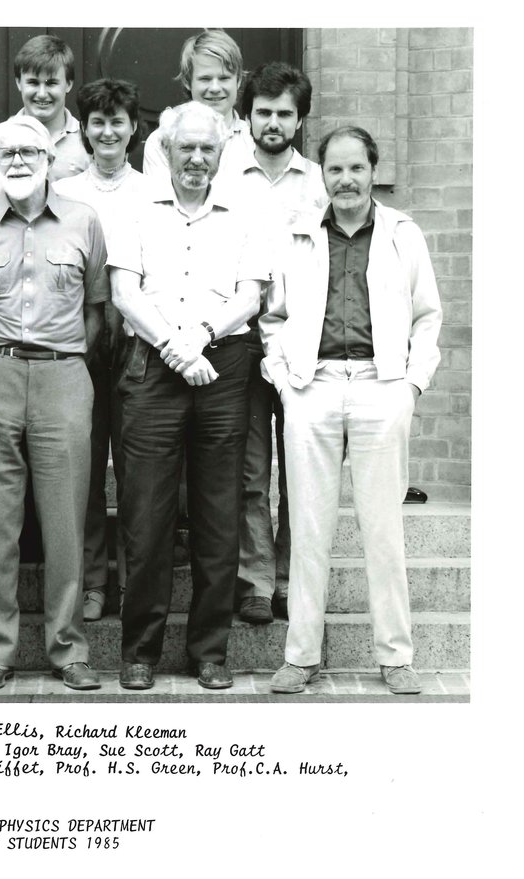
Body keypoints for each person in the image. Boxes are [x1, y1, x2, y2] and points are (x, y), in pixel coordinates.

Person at [263, 126, 442, 696]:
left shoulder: (402, 234)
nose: (345, 179)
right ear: (322, 175)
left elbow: (427, 317)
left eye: (356, 168)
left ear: (373, 171)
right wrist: (284, 381)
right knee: (308, 527)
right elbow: (273, 317)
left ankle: (396, 656)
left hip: (379, 384)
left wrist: (410, 387)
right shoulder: (297, 235)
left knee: (383, 529)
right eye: (335, 169)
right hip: (311, 385)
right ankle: (301, 657)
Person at [109, 102, 270, 691]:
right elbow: (124, 292)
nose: (197, 159)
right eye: (186, 148)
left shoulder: (246, 209)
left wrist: (197, 337)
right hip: (154, 365)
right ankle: (140, 651)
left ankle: (210, 651)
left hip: (222, 365)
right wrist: (173, 347)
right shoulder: (134, 206)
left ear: (221, 153)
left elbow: (250, 296)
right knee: (146, 515)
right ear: (167, 151)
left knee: (218, 514)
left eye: (208, 149)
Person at [0, 116, 109, 692]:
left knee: (65, 516)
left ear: (50, 159)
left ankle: (69, 648)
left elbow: (97, 310)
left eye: (29, 152)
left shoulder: (84, 221)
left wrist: (65, 358)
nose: (18, 161)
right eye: (7, 153)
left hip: (64, 374)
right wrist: (0, 355)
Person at [225, 61, 329, 625]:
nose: (272, 123)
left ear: (299, 120)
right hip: (241, 337)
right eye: (263, 112)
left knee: (299, 469)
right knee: (248, 470)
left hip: (301, 343)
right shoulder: (224, 174)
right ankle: (256, 582)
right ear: (247, 114)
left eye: (284, 114)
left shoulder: (318, 182)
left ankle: (291, 579)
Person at [54, 78, 151, 622]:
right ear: (84, 131)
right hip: (81, 341)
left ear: (134, 128)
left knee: (137, 471)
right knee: (84, 468)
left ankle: (134, 579)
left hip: (138, 344)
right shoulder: (66, 193)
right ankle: (92, 581)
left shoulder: (152, 193)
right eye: (98, 122)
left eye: (118, 121)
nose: (108, 131)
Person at [141, 29, 252, 183]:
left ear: (238, 80)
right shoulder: (161, 141)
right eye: (205, 79)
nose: (215, 88)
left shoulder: (253, 140)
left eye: (224, 78)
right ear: (188, 82)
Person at [0, 34, 89, 182]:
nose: (42, 94)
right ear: (18, 83)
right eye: (33, 82)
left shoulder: (88, 141)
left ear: (68, 84)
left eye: (51, 83)